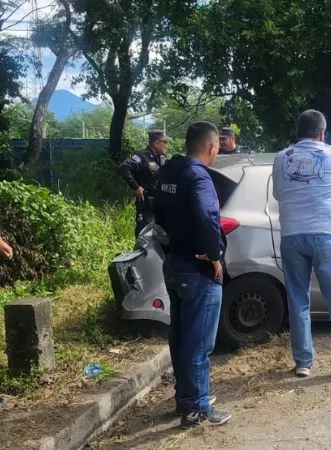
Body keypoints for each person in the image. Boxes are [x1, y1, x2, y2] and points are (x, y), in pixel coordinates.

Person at [152, 121, 231, 428]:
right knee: (199, 342)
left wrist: (175, 240)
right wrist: (215, 255)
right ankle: (197, 408)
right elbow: (207, 215)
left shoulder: (169, 171)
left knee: (181, 335)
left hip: (174, 264)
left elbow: (157, 211)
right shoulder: (199, 177)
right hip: (197, 271)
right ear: (212, 147)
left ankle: (185, 398)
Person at [272, 109, 331, 380]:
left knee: (298, 300)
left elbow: (278, 193)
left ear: (298, 133)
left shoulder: (280, 158)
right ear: (322, 133)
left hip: (292, 236)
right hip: (325, 235)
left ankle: (303, 363)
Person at [119, 130, 171, 236]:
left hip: (160, 205)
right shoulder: (142, 156)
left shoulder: (162, 158)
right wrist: (136, 187)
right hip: (146, 205)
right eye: (164, 142)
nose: (167, 145)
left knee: (160, 236)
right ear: (156, 143)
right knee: (144, 234)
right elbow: (123, 167)